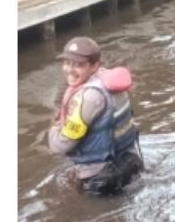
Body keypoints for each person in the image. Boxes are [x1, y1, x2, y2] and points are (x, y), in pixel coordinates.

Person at [48, 36, 144, 194]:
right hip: (130, 162)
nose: (69, 69)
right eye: (67, 63)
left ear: (94, 66)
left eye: (78, 65)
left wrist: (54, 127)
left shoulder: (89, 97)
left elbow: (62, 145)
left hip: (103, 177)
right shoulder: (110, 84)